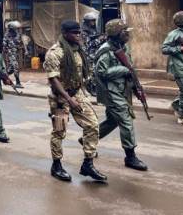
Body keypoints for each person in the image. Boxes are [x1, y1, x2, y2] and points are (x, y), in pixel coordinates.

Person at [44, 20, 106, 183]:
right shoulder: (55, 52)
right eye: (74, 33)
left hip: (78, 93)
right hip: (60, 97)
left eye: (79, 32)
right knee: (59, 131)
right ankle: (56, 165)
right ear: (65, 34)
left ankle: (88, 163)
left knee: (92, 125)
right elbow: (54, 80)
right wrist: (69, 100)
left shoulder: (78, 50)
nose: (78, 35)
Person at [93, 19, 147, 171]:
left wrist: (136, 87)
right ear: (116, 34)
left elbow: (129, 67)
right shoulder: (106, 50)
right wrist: (123, 71)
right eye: (124, 32)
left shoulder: (123, 47)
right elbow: (101, 72)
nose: (127, 34)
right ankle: (130, 157)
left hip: (122, 90)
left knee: (112, 121)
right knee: (126, 121)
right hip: (111, 92)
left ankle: (88, 140)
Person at [3, 21, 25, 88]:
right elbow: (4, 46)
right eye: (15, 28)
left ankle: (3, 77)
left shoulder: (18, 34)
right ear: (11, 28)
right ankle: (18, 82)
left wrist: (22, 48)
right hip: (11, 54)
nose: (17, 29)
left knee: (11, 69)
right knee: (16, 67)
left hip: (17, 53)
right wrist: (5, 54)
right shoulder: (7, 35)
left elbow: (21, 43)